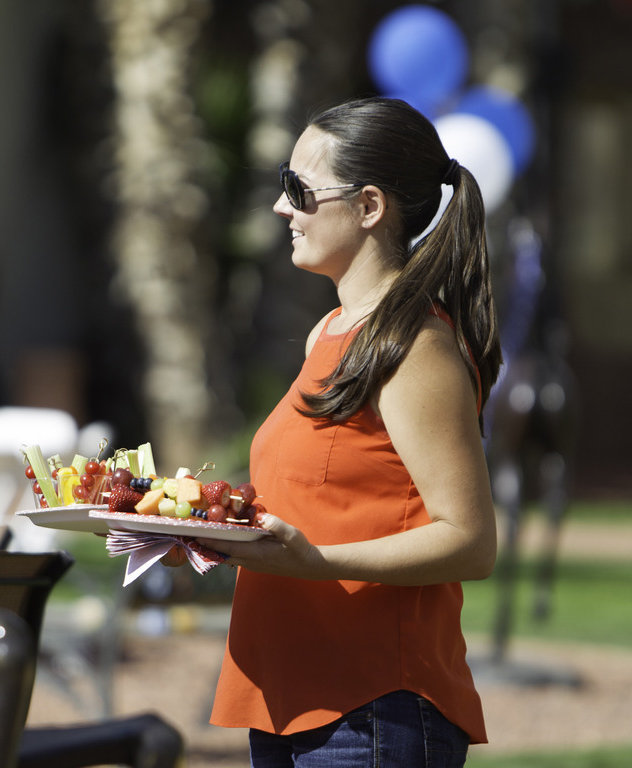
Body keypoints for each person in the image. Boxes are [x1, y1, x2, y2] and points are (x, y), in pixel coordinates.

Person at [201, 96, 503, 767]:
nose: (283, 208)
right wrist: (202, 529)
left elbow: (471, 542)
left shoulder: (414, 344)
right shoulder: (330, 333)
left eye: (298, 190)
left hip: (370, 713)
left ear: (369, 207)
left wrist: (318, 563)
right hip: (290, 698)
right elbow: (317, 500)